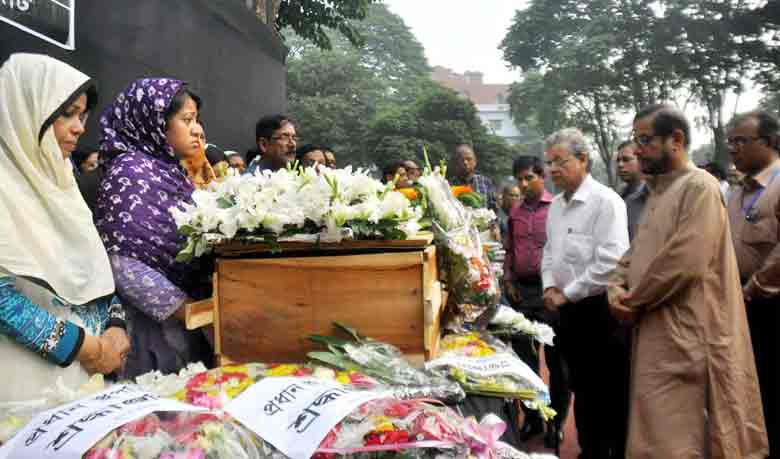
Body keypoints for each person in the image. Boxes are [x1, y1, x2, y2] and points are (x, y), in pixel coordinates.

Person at [608, 104, 768, 458]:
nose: (636, 150)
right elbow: (635, 253)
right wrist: (615, 287)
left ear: (676, 140)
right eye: (636, 140)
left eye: (645, 140)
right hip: (654, 329)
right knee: (655, 434)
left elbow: (684, 262)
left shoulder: (700, 187)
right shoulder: (661, 190)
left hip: (690, 336)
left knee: (684, 439)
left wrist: (632, 301)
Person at [0, 53, 129, 402]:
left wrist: (116, 326)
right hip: (22, 385)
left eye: (82, 114)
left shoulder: (63, 185)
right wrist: (84, 347)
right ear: (24, 110)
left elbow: (93, 275)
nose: (80, 127)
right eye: (66, 114)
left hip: (83, 380)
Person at [96, 78, 215, 379]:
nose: (194, 129)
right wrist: (188, 309)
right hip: (150, 329)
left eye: (196, 120)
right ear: (154, 121)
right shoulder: (129, 171)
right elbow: (121, 263)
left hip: (190, 320)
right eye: (186, 120)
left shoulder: (169, 170)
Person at [541, 128, 630, 458]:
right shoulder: (557, 207)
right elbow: (550, 251)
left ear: (583, 159)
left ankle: (610, 449)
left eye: (560, 162)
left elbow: (611, 260)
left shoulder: (606, 202)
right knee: (580, 386)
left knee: (607, 391)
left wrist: (569, 292)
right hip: (566, 312)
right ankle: (589, 448)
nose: (552, 170)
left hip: (599, 312)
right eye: (549, 163)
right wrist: (550, 286)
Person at [503, 156, 570, 449]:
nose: (523, 183)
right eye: (519, 179)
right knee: (525, 362)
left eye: (529, 177)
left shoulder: (557, 208)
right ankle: (532, 417)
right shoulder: (515, 212)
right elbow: (510, 250)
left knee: (557, 363)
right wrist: (508, 279)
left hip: (550, 294)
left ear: (542, 177)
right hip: (522, 294)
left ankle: (556, 422)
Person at [725, 110, 780, 458]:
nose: (733, 149)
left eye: (740, 141)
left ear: (770, 142)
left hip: (771, 305)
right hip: (740, 303)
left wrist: (754, 286)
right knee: (750, 394)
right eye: (730, 142)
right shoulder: (735, 193)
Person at [616, 140, 648, 241]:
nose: (620, 165)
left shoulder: (653, 196)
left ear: (641, 160)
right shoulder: (617, 199)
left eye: (626, 160)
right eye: (618, 160)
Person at [451, 144, 497, 210]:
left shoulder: (485, 182)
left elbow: (494, 209)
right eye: (461, 159)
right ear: (456, 163)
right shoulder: (449, 186)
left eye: (469, 159)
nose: (465, 162)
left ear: (475, 161)